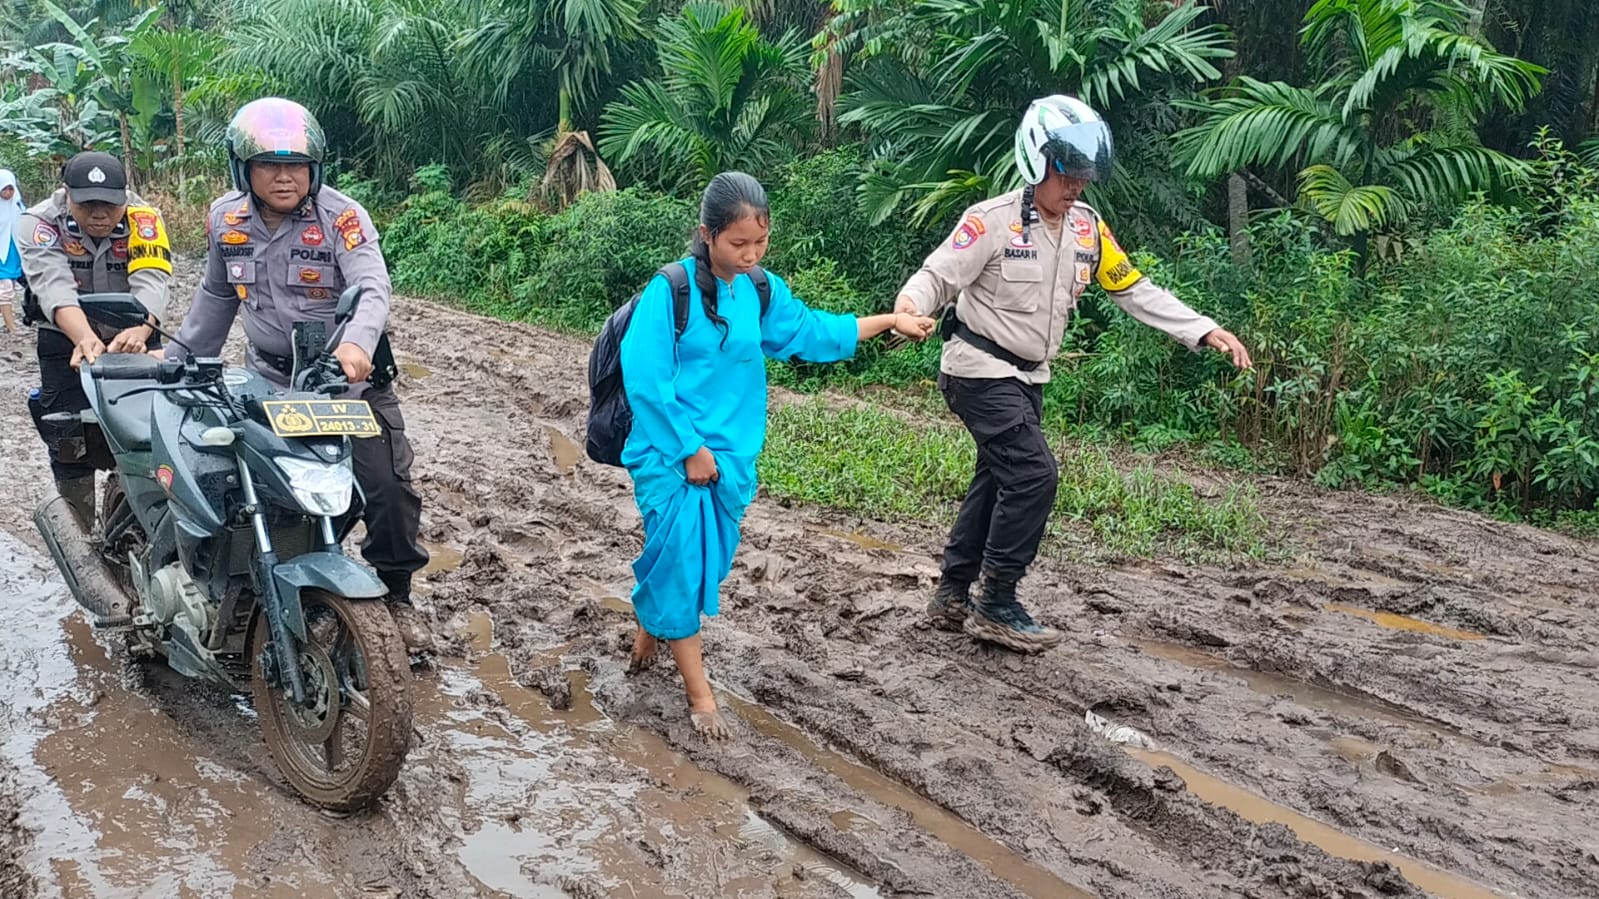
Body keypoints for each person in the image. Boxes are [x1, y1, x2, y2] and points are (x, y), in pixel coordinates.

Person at [893, 95, 1253, 654]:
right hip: (977, 370)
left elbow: (1133, 289)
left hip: (1028, 379)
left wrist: (1203, 329)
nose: (1076, 186)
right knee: (1033, 475)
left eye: (1084, 176)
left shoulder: (1087, 230)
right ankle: (997, 602)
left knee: (996, 478)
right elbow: (937, 275)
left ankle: (953, 593)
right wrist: (908, 308)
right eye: (1066, 174)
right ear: (1036, 161)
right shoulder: (991, 221)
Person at [622, 171, 936, 739]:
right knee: (683, 563)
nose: (750, 255)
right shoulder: (669, 292)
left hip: (731, 459)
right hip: (672, 456)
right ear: (707, 234)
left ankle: (651, 629)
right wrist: (689, 449)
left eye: (760, 242)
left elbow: (815, 332)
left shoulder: (759, 290)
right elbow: (646, 381)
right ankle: (700, 696)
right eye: (738, 243)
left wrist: (891, 321)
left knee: (690, 563)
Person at [163, 97, 433, 651]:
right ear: (243, 169)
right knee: (250, 484)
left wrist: (355, 345)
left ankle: (398, 596)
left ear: (316, 168)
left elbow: (373, 288)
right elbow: (216, 297)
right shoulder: (225, 221)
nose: (284, 177)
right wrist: (177, 363)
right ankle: (264, 586)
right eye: (269, 164)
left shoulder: (343, 218)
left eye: (297, 165)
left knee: (386, 489)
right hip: (267, 384)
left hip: (344, 384)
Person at [13, 151, 173, 529]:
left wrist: (141, 330)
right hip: (64, 336)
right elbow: (53, 285)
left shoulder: (145, 218)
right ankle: (78, 530)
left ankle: (141, 523)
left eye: (109, 205)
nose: (99, 215)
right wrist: (83, 337)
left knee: (149, 432)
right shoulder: (38, 222)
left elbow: (152, 279)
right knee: (67, 433)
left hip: (133, 330)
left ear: (125, 197)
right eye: (87, 205)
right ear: (67, 194)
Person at [0, 169, 23, 333]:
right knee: (6, 288)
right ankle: (11, 327)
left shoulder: (17, 205)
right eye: (4, 189)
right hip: (1, 254)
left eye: (11, 189)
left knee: (10, 287)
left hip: (13, 252)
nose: (8, 193)